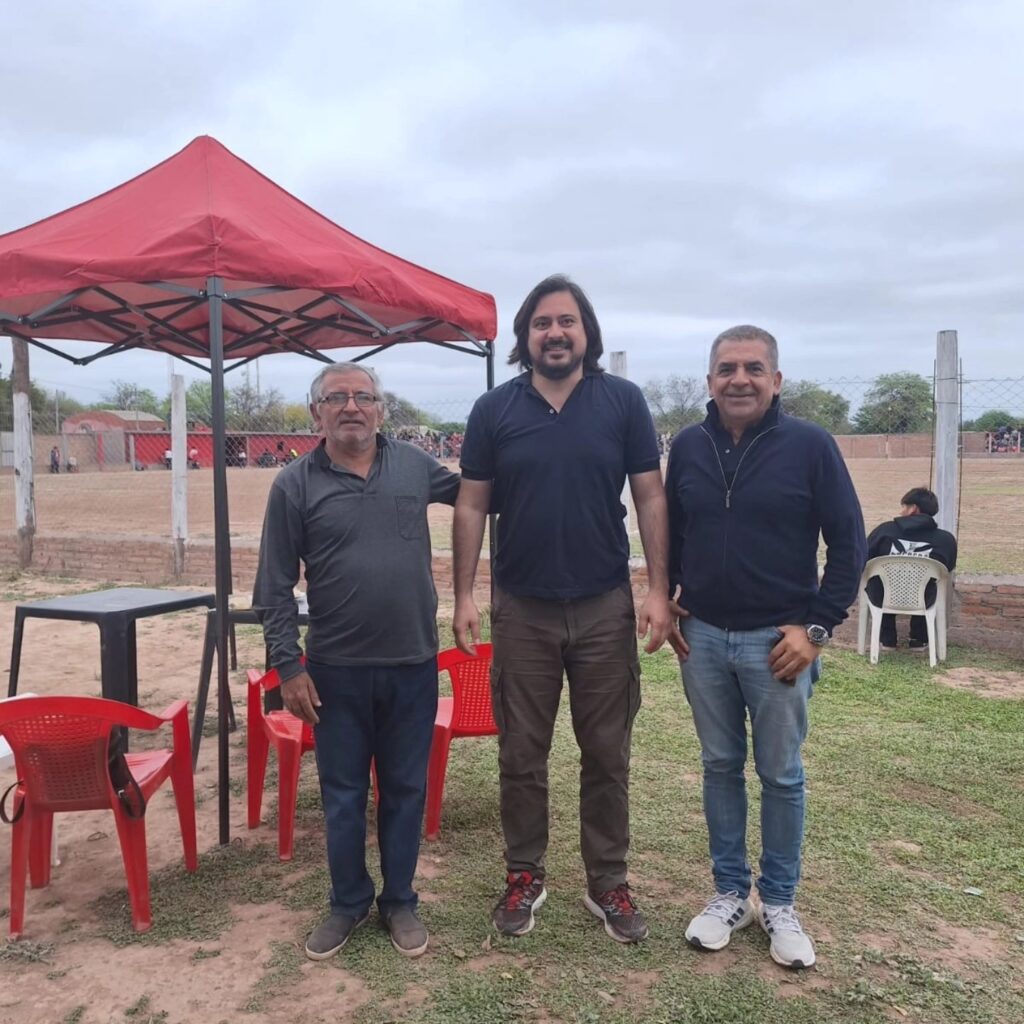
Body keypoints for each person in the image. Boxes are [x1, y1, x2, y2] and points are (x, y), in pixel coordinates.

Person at [453, 274, 672, 945]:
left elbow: (652, 499)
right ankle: (525, 874)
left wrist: (658, 589)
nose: (555, 332)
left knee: (607, 753)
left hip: (604, 606)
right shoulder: (495, 410)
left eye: (567, 321)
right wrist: (463, 593)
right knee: (522, 753)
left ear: (587, 333)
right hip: (522, 609)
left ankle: (607, 881)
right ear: (525, 336)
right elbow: (469, 504)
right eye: (542, 322)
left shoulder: (623, 403)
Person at [665, 325, 865, 969]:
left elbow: (849, 544)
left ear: (776, 380)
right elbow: (673, 530)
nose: (739, 379)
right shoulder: (690, 447)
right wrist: (667, 596)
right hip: (701, 638)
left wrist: (816, 629)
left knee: (780, 776)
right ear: (710, 381)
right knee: (720, 765)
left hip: (779, 644)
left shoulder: (809, 445)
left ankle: (779, 901)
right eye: (726, 369)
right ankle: (729, 892)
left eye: (753, 368)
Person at [253, 361, 459, 962]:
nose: (351, 407)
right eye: (336, 398)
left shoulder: (416, 466)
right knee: (342, 794)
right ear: (315, 411)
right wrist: (289, 667)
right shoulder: (294, 484)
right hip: (334, 673)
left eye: (363, 397)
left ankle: (400, 900)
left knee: (403, 789)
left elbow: (482, 493)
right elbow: (272, 586)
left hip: (412, 665)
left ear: (381, 408)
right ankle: (347, 903)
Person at [865, 487, 957, 649]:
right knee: (930, 583)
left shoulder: (884, 531)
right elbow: (947, 569)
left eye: (904, 507)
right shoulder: (946, 540)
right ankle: (919, 639)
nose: (901, 512)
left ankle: (887, 639)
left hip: (883, 595)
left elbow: (865, 558)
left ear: (913, 508)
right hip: (924, 598)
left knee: (880, 580)